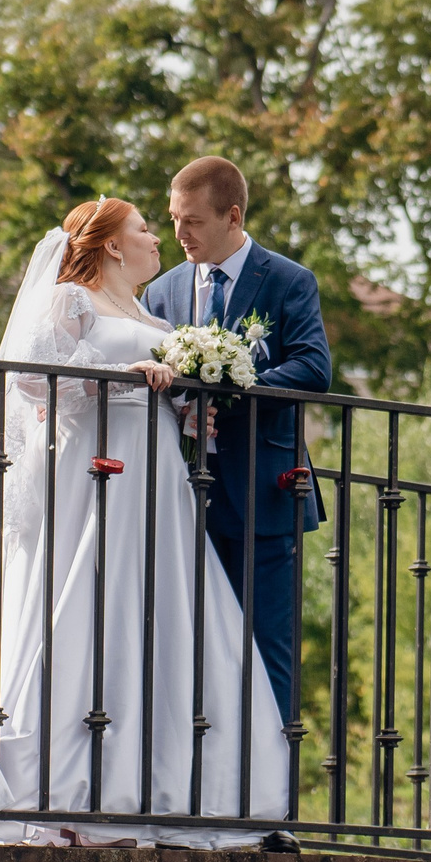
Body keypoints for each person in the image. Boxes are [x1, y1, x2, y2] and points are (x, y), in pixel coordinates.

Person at [0, 198, 290, 847]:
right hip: (97, 471)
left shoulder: (151, 316)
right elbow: (32, 382)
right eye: (144, 228)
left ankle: (155, 790)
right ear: (111, 244)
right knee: (92, 608)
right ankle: (72, 795)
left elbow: (162, 394)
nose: (157, 239)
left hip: (158, 474)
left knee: (159, 614)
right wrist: (123, 375)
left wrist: (191, 408)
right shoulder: (71, 300)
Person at [141, 157, 332, 736]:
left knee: (267, 646)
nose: (179, 234)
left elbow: (314, 367)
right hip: (180, 494)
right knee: (188, 646)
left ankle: (272, 785)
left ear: (233, 216)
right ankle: (202, 778)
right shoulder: (164, 290)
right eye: (174, 219)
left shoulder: (288, 280)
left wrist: (231, 385)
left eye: (193, 221)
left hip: (263, 491)